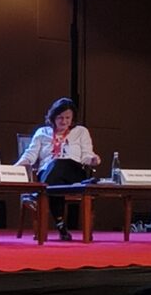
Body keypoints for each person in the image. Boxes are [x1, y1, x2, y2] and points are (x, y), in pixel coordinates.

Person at [17, 97, 101, 241]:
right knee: (53, 170)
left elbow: (86, 155)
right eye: (60, 118)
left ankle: (57, 219)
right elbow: (30, 155)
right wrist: (16, 167)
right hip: (47, 172)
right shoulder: (42, 132)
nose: (64, 121)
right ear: (53, 117)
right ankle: (61, 225)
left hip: (73, 172)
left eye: (68, 118)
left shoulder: (81, 132)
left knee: (57, 169)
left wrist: (93, 159)